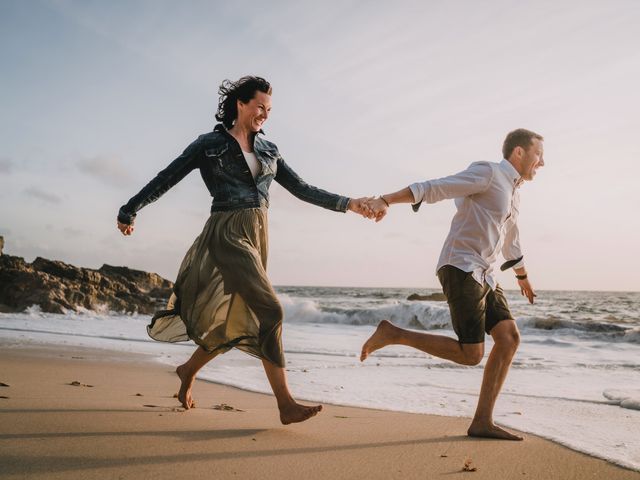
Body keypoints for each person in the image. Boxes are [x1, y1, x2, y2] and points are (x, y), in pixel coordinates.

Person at [117, 76, 372, 424]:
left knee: (235, 320)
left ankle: (187, 370)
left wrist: (349, 204)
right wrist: (130, 208)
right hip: (226, 232)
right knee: (272, 311)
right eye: (260, 106)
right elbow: (168, 176)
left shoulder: (269, 150)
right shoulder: (208, 144)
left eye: (269, 109)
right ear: (241, 103)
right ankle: (285, 404)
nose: (265, 114)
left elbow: (302, 189)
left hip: (257, 235)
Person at [360, 129, 544, 440]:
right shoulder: (488, 173)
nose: (542, 163)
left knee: (509, 337)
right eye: (539, 155)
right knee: (471, 354)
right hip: (460, 266)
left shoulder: (514, 193)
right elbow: (437, 188)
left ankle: (482, 421)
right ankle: (394, 334)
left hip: (485, 274)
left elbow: (512, 239)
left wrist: (523, 277)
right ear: (519, 153)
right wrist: (386, 199)